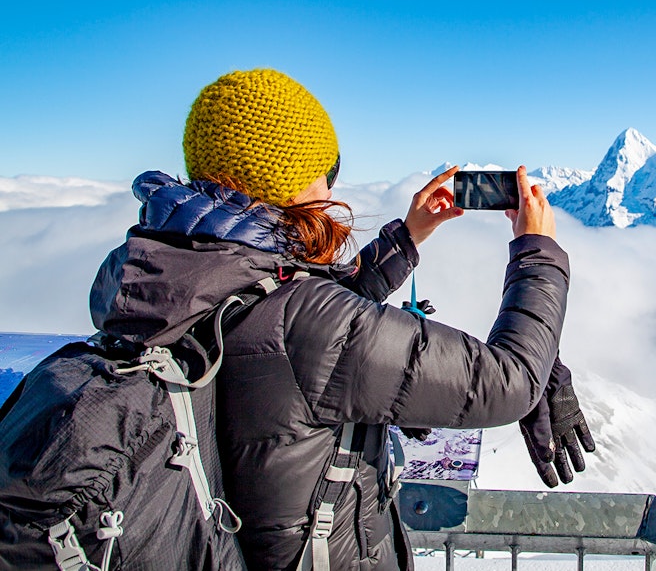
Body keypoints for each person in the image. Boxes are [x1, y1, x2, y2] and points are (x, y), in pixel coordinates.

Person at [89, 69, 577, 570]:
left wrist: (408, 236)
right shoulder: (305, 323)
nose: (330, 185)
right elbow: (508, 382)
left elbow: (292, 321)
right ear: (293, 179)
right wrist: (537, 251)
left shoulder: (185, 274)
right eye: (327, 169)